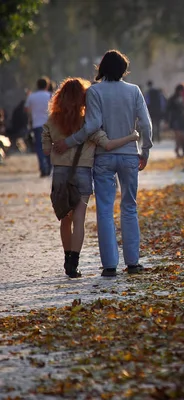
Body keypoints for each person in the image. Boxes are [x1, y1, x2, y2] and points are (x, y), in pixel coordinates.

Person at [53, 49, 153, 278]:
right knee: (129, 207)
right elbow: (146, 125)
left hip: (104, 157)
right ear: (123, 70)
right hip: (129, 155)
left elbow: (92, 126)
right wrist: (145, 151)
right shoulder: (134, 91)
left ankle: (109, 266)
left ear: (101, 69)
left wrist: (69, 142)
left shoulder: (95, 92)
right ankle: (133, 262)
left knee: (105, 210)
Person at [42, 77, 139, 278]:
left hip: (60, 174)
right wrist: (132, 137)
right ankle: (74, 265)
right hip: (83, 173)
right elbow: (109, 145)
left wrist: (55, 146)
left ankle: (67, 259)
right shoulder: (88, 124)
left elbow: (44, 149)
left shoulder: (51, 122)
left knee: (64, 219)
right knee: (79, 220)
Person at [25, 77, 52, 176]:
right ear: (47, 85)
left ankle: (43, 168)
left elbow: (27, 109)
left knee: (39, 148)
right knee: (49, 146)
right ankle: (49, 167)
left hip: (37, 124)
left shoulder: (32, 96)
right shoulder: (50, 95)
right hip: (49, 125)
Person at [166, 83, 184, 158]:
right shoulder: (173, 99)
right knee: (178, 136)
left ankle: (182, 150)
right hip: (176, 119)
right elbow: (168, 109)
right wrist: (168, 120)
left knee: (183, 137)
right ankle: (178, 149)